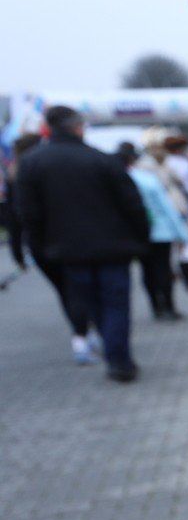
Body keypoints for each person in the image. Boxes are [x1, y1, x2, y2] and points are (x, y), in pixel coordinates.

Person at [15, 105, 148, 382]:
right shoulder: (102, 160)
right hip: (113, 248)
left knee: (93, 304)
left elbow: (29, 213)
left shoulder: (32, 164)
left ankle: (114, 355)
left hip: (68, 251)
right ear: (78, 127)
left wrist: (40, 248)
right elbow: (133, 205)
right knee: (115, 304)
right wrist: (140, 239)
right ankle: (119, 359)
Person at [7, 134, 99, 362]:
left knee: (65, 290)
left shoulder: (15, 176)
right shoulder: (52, 168)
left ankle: (82, 336)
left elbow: (14, 221)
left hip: (39, 245)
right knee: (77, 288)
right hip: (67, 239)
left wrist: (17, 252)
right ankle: (84, 334)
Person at [116, 142, 188, 321]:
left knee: (147, 271)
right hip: (161, 233)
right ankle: (169, 306)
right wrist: (183, 235)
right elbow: (166, 208)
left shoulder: (118, 182)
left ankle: (155, 307)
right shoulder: (147, 179)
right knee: (163, 269)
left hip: (137, 235)